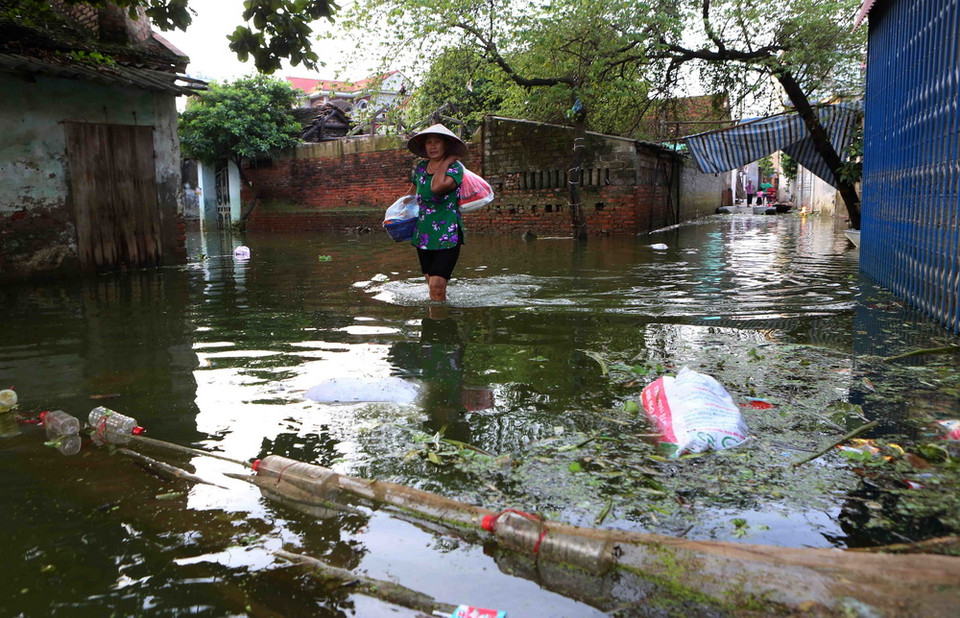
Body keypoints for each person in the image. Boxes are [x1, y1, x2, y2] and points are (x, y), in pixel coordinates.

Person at [406, 124, 467, 302]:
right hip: (423, 234)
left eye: (437, 142)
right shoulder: (420, 168)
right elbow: (411, 194)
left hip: (447, 233)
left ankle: (440, 325)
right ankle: (435, 324)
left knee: (436, 286)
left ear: (445, 145)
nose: (432, 146)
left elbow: (437, 187)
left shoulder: (455, 169)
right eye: (429, 142)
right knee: (434, 288)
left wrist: (447, 161)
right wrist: (396, 213)